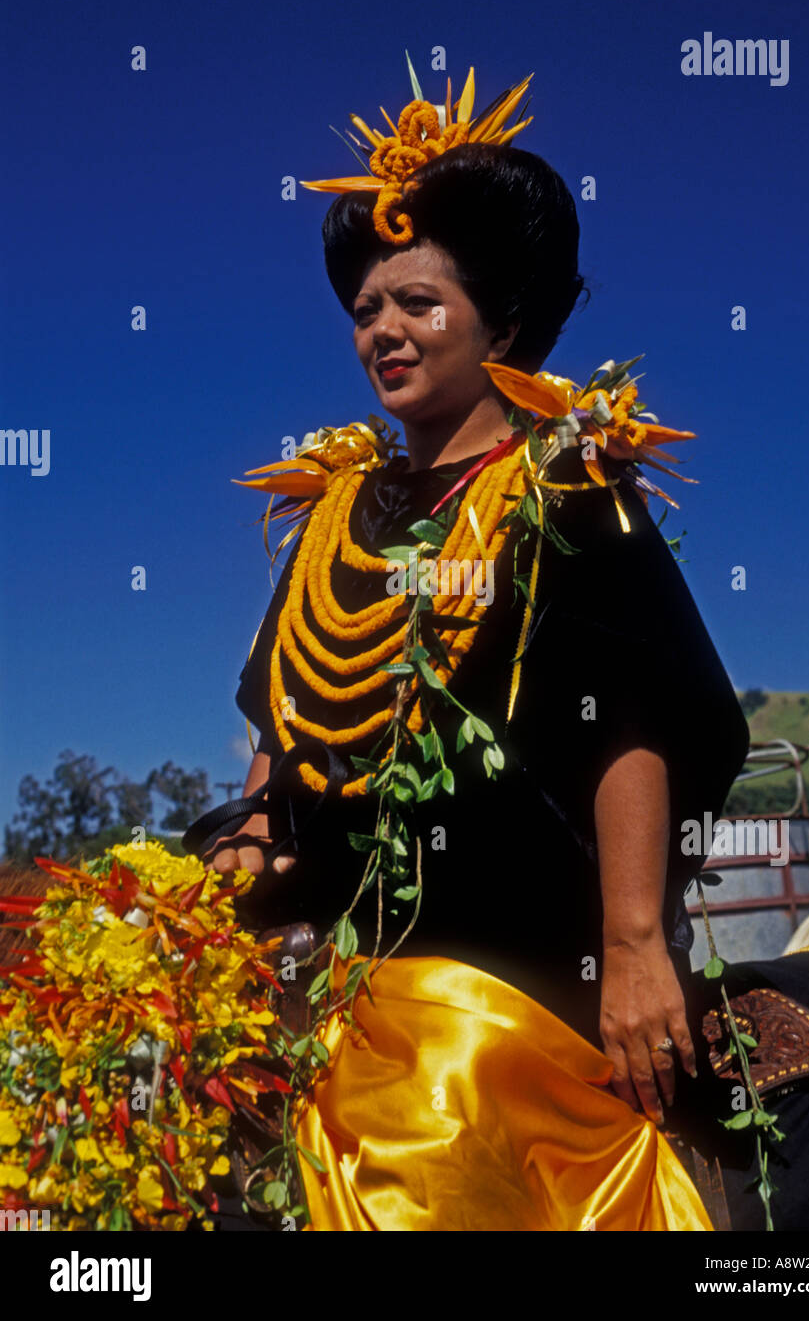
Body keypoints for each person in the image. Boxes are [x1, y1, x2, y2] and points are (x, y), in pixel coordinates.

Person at [202, 67, 751, 1230]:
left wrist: (637, 948)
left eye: (416, 301)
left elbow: (635, 717)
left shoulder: (570, 487)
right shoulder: (329, 521)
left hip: (509, 986)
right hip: (346, 979)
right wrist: (219, 886)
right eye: (364, 309)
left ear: (500, 318)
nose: (381, 331)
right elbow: (278, 749)